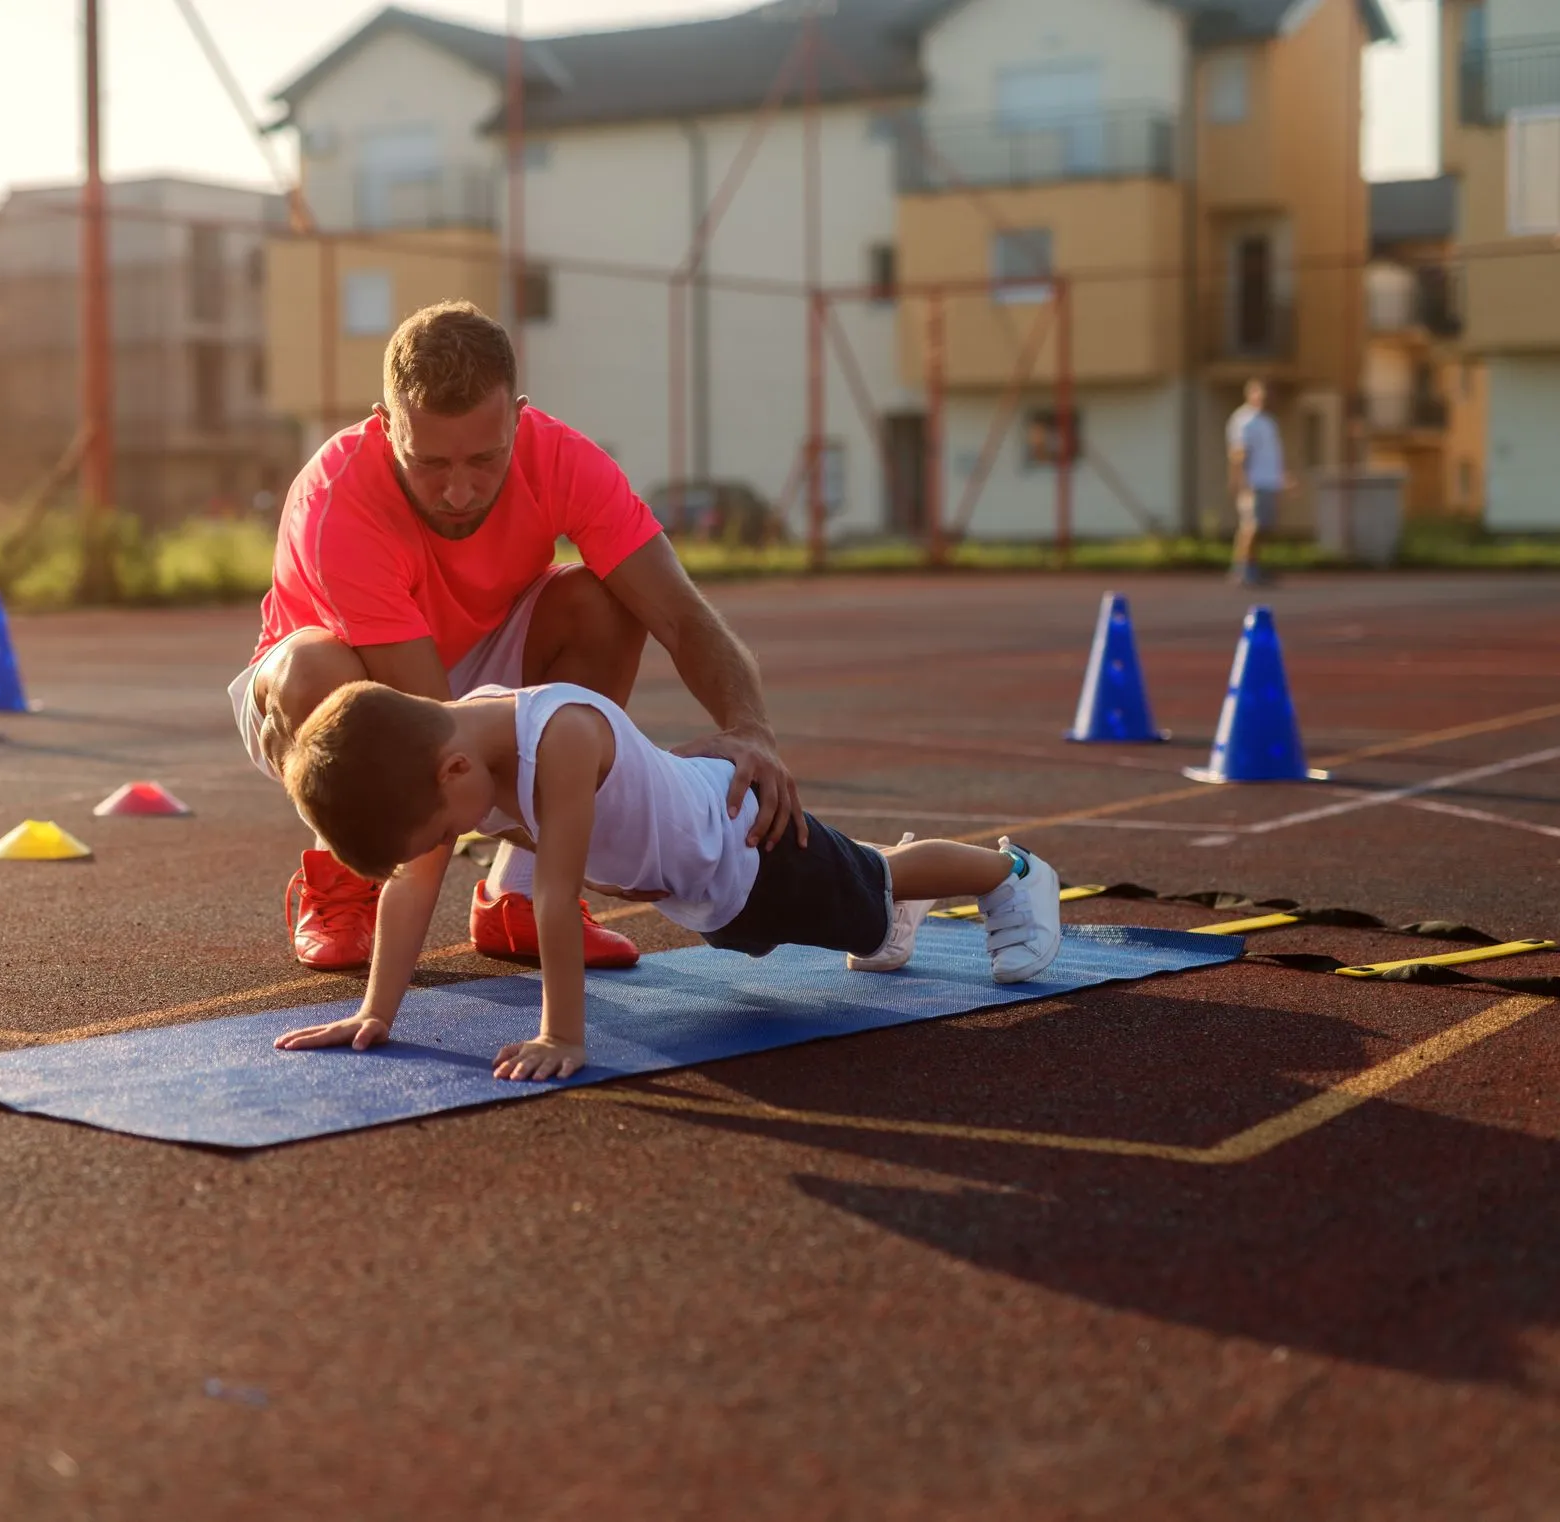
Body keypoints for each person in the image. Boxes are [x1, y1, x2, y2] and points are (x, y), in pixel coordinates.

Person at [232, 300, 802, 973]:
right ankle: (344, 882)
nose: (458, 491)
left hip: (476, 659)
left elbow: (681, 614)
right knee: (315, 669)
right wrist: (590, 832)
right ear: (387, 427)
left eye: (484, 458)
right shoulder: (338, 502)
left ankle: (521, 896)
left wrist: (751, 728)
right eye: (430, 463)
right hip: (337, 696)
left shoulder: (562, 459)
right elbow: (430, 735)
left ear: (517, 416)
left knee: (603, 602)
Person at [271, 681, 1064, 1082]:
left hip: (750, 844)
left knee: (875, 889)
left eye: (446, 832)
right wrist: (375, 1011)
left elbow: (553, 893)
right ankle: (893, 899)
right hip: (708, 892)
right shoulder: (452, 758)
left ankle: (1013, 872)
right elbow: (411, 888)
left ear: (451, 770)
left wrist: (562, 1036)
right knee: (855, 909)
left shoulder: (559, 737)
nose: (452, 844)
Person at [1225, 378, 1288, 586]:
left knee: (1262, 528)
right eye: (1260, 393)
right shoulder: (1244, 420)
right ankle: (1242, 569)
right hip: (1253, 482)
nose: (1264, 397)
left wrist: (1283, 477)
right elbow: (1238, 453)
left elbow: (1273, 454)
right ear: (1250, 394)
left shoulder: (1269, 421)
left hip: (1269, 481)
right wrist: (1240, 481)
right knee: (1250, 526)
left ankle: (1254, 566)